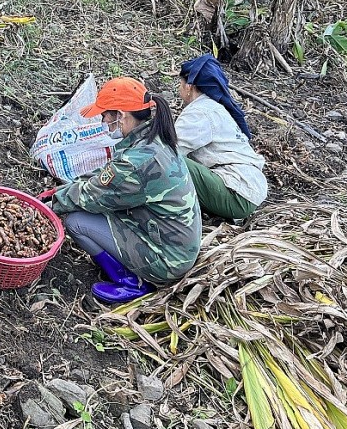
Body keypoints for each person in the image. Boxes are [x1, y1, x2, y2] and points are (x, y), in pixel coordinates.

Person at [52, 77, 202, 304]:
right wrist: (65, 189)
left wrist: (49, 204)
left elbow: (90, 197)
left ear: (121, 115)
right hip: (168, 239)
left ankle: (133, 282)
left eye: (105, 115)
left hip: (167, 258)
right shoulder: (151, 139)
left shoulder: (139, 162)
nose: (102, 120)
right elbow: (105, 177)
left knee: (77, 222)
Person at [176, 55, 267, 220]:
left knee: (166, 158)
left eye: (180, 84)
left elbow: (169, 149)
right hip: (247, 191)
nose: (179, 89)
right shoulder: (213, 107)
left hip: (236, 193)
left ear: (189, 87)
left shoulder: (200, 112)